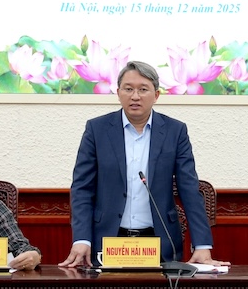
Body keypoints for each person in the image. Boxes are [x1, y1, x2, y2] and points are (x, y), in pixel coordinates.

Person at [59, 60, 228, 268]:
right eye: (128, 89)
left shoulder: (175, 131)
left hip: (159, 241)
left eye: (143, 89)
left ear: (156, 95)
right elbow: (82, 188)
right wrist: (82, 239)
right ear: (118, 92)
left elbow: (189, 189)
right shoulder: (97, 129)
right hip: (108, 240)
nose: (135, 96)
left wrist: (202, 245)